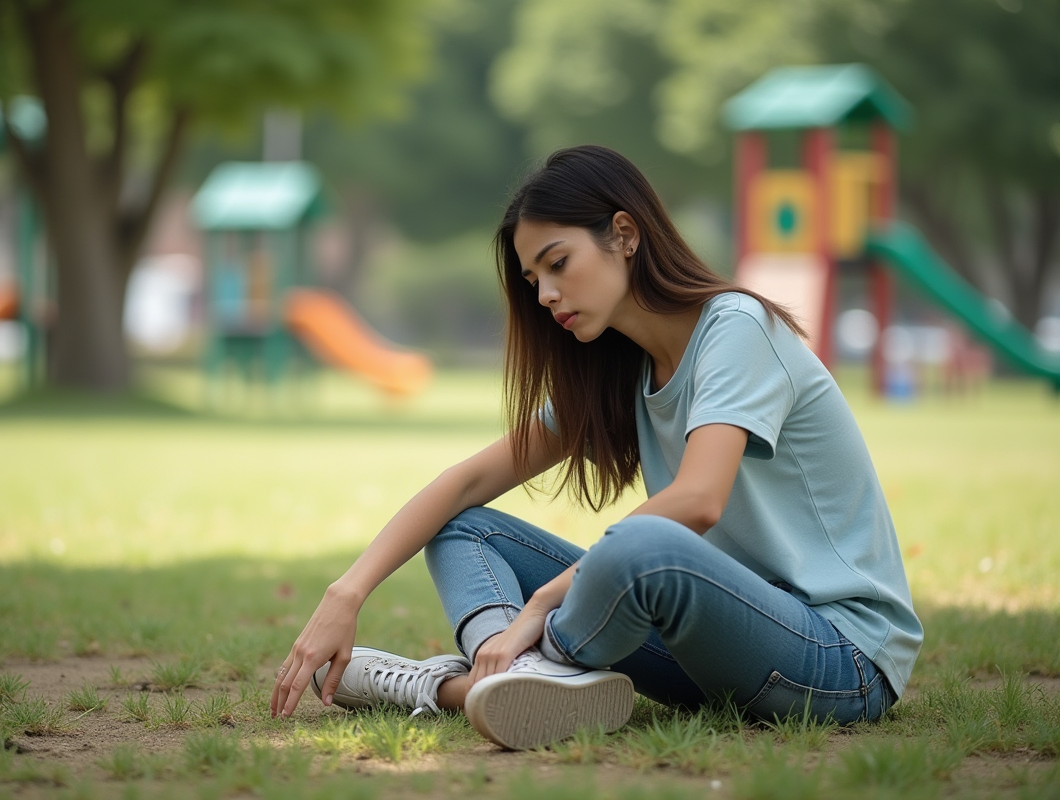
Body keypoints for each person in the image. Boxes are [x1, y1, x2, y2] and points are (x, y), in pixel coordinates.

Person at [269, 145, 922, 751]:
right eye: (533, 280)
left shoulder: (737, 329)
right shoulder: (626, 371)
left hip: (842, 658)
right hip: (719, 650)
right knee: (461, 526)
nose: (546, 293)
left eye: (558, 263)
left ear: (625, 235)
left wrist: (538, 604)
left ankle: (448, 686)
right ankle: (513, 681)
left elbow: (697, 502)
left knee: (643, 545)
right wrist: (346, 593)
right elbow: (465, 484)